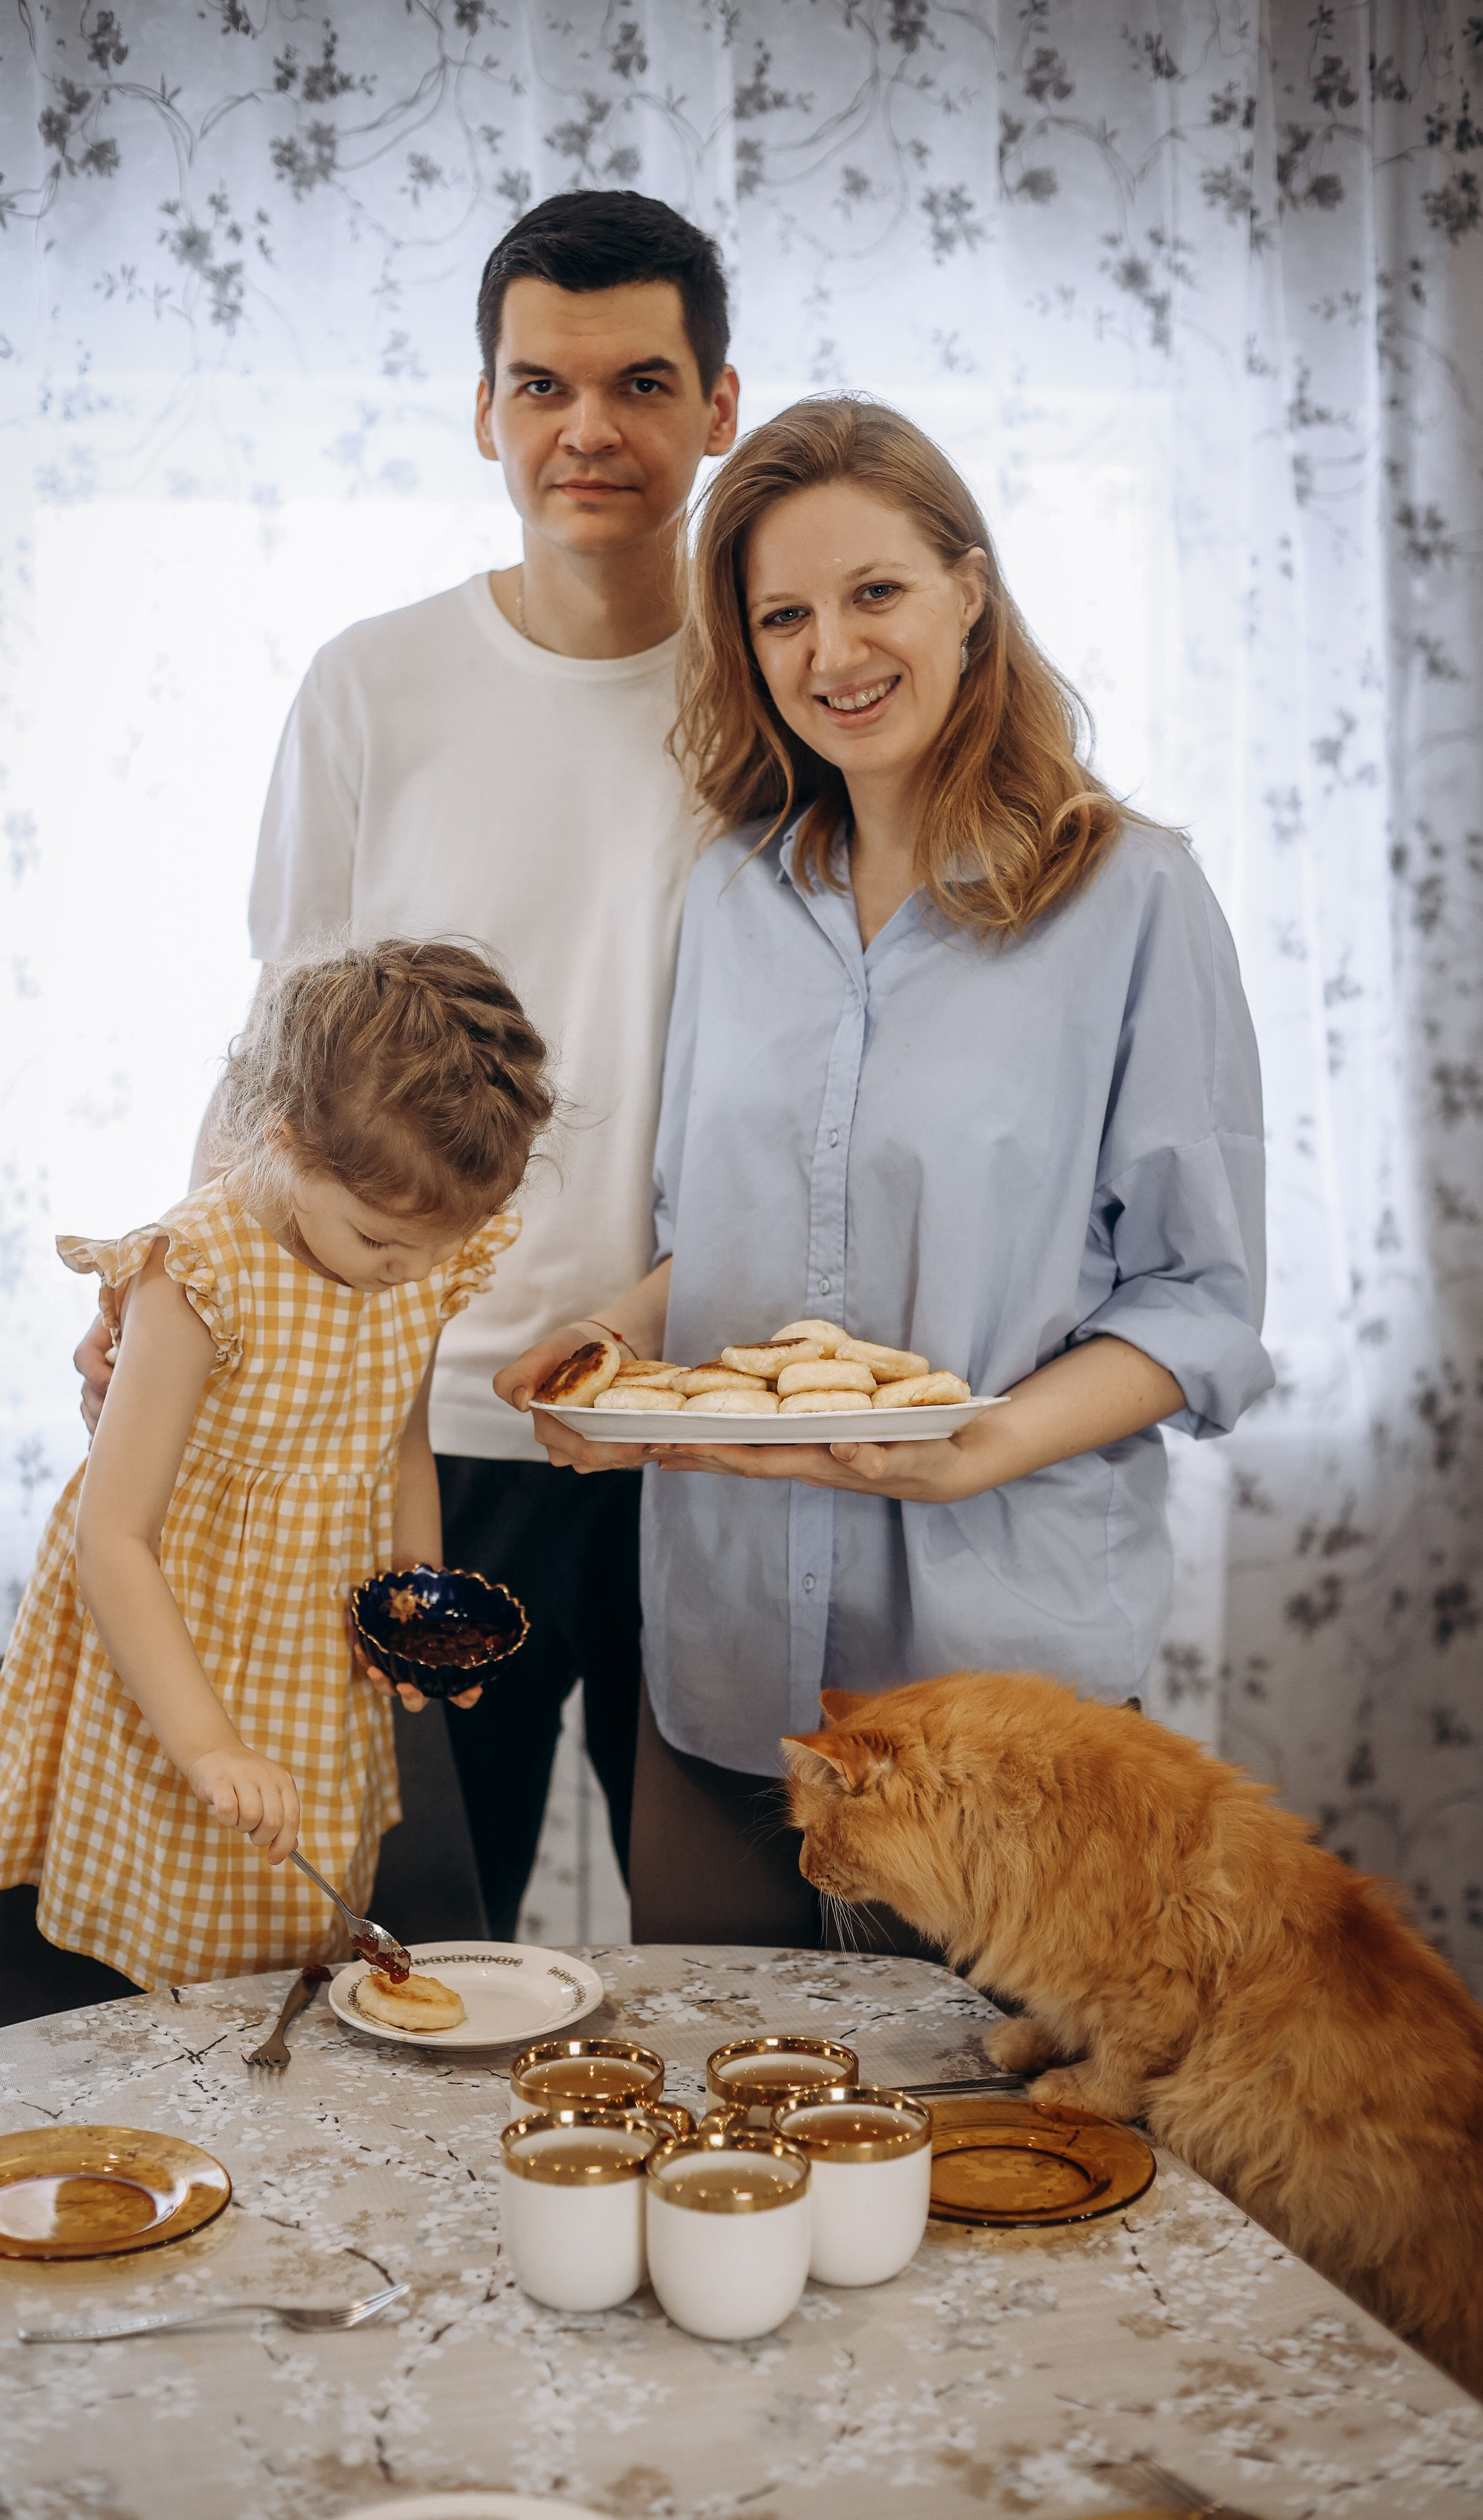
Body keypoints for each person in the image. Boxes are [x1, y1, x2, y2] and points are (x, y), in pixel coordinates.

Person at [499, 398, 1275, 1946]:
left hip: (1001, 1700)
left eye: (874, 594)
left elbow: (1198, 1307)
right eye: (782, 615)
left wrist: (975, 1449)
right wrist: (609, 1348)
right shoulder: (728, 897)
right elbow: (709, 1244)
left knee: (1011, 2167)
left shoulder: (1131, 898)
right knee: (719, 2146)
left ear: (968, 595)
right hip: (727, 1691)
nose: (831, 652)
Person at [73, 192, 740, 1941]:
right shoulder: (374, 686)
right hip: (416, 1433)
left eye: (640, 383)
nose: (587, 429)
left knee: (722, 1950)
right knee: (423, 1948)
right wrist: (167, 1270)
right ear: (485, 411)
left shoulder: (773, 702)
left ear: (718, 408)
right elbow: (275, 1045)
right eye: (541, 385)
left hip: (692, 1429)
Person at [0, 942, 554, 2000]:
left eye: (435, 1249)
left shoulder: (412, 1255)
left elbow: (399, 1436)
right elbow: (114, 1539)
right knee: (183, 1939)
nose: (411, 1275)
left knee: (293, 1940)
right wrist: (209, 1749)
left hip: (309, 1660)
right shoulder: (200, 1273)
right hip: (176, 1657)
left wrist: (412, 1602)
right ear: (287, 1146)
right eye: (381, 1241)